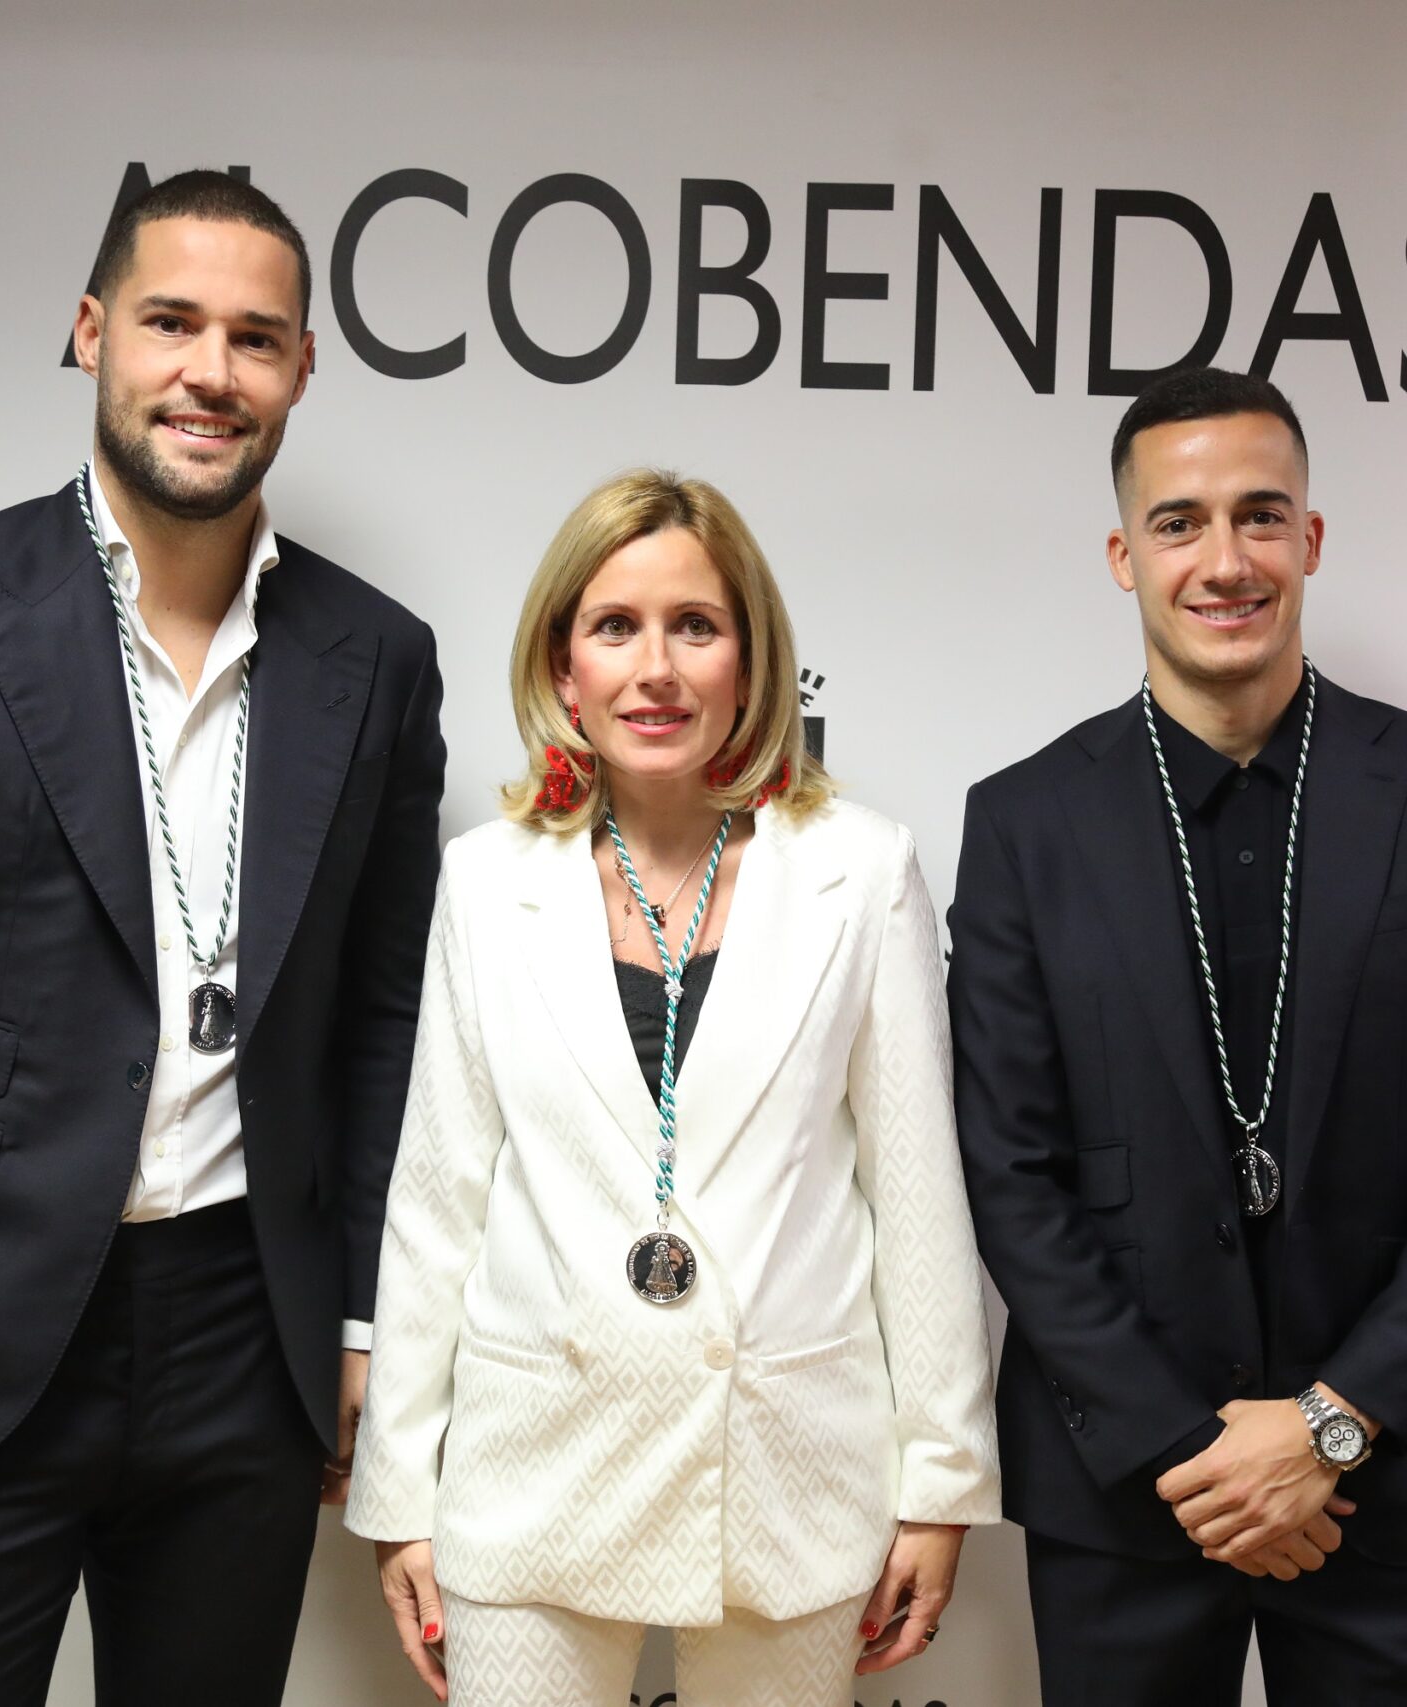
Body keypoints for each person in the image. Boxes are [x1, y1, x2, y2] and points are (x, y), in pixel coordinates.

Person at [0, 169, 445, 1704]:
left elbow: (386, 1016)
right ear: (90, 334)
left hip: (244, 1342)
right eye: (171, 322)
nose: (212, 370)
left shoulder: (379, 657)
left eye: (257, 337)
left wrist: (355, 1315)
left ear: (304, 370)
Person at [948, 368, 1407, 1704]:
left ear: (1312, 539)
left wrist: (1332, 1425)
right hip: (1130, 1488)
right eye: (1179, 523)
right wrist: (1195, 1447)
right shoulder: (1024, 823)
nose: (1223, 559)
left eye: (1260, 516)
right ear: (1124, 555)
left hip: (1396, 1485)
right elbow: (1012, 1175)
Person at [345, 470, 999, 1706]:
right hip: (529, 1472)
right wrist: (400, 1495)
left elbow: (916, 1198)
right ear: (564, 662)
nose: (656, 669)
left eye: (695, 627)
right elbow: (437, 1203)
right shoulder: (486, 882)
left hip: (789, 1473)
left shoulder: (862, 871)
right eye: (615, 627)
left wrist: (942, 1486)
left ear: (751, 663)